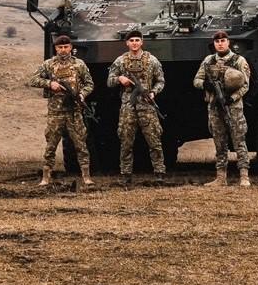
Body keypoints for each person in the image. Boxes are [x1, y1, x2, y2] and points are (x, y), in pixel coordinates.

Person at [31, 32, 95, 188]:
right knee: (51, 145)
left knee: (81, 144)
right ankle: (46, 177)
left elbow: (89, 84)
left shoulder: (79, 65)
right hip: (56, 112)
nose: (63, 50)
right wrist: (49, 84)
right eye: (60, 47)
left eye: (66, 47)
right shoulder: (49, 65)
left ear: (71, 48)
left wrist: (81, 94)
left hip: (74, 111)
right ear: (56, 48)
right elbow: (33, 80)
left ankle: (86, 177)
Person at [192, 30, 251, 187]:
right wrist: (206, 84)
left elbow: (245, 85)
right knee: (219, 143)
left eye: (223, 41)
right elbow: (197, 80)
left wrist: (231, 98)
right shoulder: (208, 61)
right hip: (214, 106)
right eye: (217, 42)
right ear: (214, 44)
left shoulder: (238, 60)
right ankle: (221, 177)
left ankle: (244, 176)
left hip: (233, 107)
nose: (220, 44)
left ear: (228, 42)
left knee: (239, 140)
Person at [108, 30, 166, 183]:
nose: (134, 43)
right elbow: (109, 81)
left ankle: (159, 173)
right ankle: (126, 174)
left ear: (141, 42)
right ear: (127, 43)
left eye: (137, 40)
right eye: (131, 40)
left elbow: (160, 81)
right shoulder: (120, 61)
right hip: (128, 106)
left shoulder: (152, 60)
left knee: (154, 140)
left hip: (147, 105)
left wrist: (153, 92)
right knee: (126, 140)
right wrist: (120, 78)